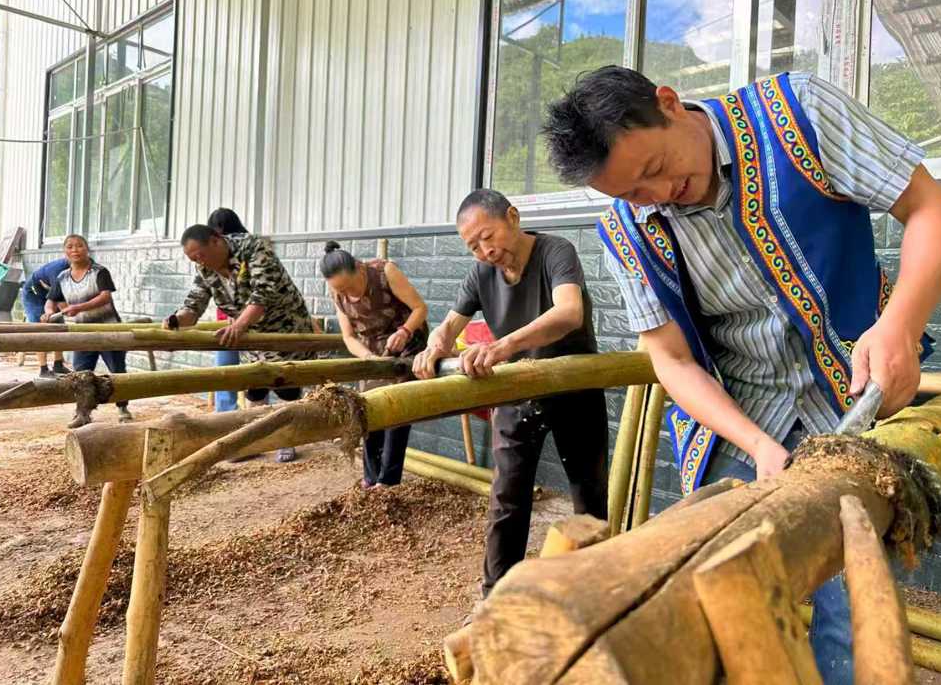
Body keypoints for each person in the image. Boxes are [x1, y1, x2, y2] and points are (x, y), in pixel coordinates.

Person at [542, 66, 941, 685]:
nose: (656, 195)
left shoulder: (798, 113)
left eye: (655, 167)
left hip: (851, 402)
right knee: (713, 590)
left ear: (668, 102)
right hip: (737, 422)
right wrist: (758, 444)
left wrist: (900, 324)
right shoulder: (626, 231)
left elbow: (933, 209)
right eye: (631, 193)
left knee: (847, 604)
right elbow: (673, 360)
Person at [413, 189, 609, 600]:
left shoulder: (556, 251)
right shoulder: (480, 274)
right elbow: (448, 327)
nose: (485, 251)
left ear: (513, 218)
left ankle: (593, 593)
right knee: (507, 499)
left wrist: (504, 346)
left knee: (588, 495)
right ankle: (494, 599)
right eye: (473, 246)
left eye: (487, 236)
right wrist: (436, 345)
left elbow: (569, 312)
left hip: (572, 384)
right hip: (517, 393)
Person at [164, 224, 322, 462]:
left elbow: (263, 296)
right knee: (254, 386)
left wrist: (238, 326)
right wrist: (176, 320)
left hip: (283, 330)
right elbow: (194, 305)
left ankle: (288, 438)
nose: (199, 261)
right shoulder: (205, 269)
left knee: (287, 386)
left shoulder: (254, 248)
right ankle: (254, 441)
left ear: (217, 240)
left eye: (201, 255)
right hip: (251, 337)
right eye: (193, 259)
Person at [322, 240, 429, 488]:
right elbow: (349, 337)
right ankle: (371, 477)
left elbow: (420, 308)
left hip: (407, 344)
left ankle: (388, 481)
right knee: (368, 411)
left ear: (359, 268)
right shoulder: (336, 290)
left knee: (397, 409)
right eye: (341, 291)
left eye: (349, 287)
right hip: (371, 351)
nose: (347, 294)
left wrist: (404, 331)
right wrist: (369, 360)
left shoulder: (385, 272)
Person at [44, 235, 132, 423]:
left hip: (109, 331)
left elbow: (105, 297)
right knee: (81, 375)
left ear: (87, 249)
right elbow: (52, 299)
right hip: (83, 333)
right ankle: (83, 414)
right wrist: (48, 312)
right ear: (65, 252)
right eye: (70, 247)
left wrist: (78, 308)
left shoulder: (99, 272)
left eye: (79, 246)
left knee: (116, 371)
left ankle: (123, 408)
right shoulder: (62, 277)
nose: (75, 250)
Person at [206, 208, 249, 413]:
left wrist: (240, 317)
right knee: (225, 368)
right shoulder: (213, 255)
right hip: (227, 319)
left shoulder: (247, 250)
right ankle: (225, 413)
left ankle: (252, 412)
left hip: (250, 319)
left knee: (256, 370)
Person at [21, 257, 72, 378]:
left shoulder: (82, 268)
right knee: (40, 328)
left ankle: (58, 365)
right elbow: (60, 301)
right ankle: (43, 369)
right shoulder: (57, 270)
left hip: (49, 292)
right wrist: (73, 312)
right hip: (34, 294)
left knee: (60, 326)